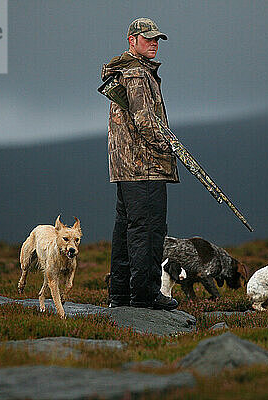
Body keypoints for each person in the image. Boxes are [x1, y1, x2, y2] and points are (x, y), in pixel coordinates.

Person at [100, 17, 179, 310]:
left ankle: (119, 296)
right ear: (131, 41)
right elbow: (145, 120)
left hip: (125, 167)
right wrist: (168, 147)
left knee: (126, 231)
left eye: (157, 39)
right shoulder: (137, 74)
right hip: (145, 166)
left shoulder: (125, 71)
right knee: (147, 231)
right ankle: (145, 296)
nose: (154, 43)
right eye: (148, 39)